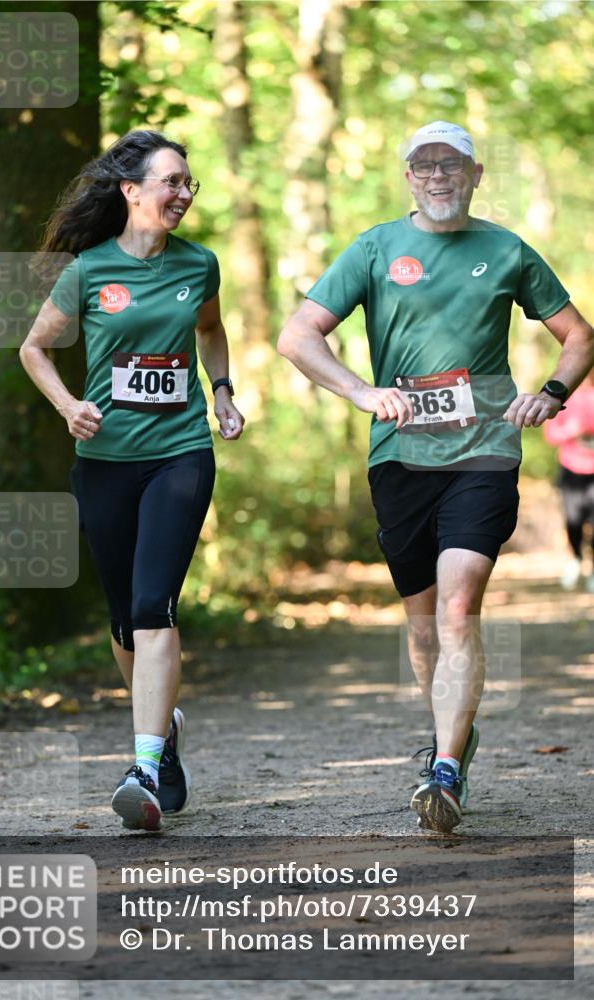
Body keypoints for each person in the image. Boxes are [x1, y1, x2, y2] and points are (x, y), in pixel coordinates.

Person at [278, 121, 594, 833]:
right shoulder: (374, 248)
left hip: (484, 450)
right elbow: (296, 336)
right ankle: (451, 734)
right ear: (408, 177)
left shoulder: (507, 250)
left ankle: (445, 769)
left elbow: (579, 335)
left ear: (476, 174)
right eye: (423, 165)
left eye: (451, 164)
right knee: (423, 626)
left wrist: (550, 393)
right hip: (399, 456)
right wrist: (361, 392)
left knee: (456, 609)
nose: (438, 176)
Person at [20, 130, 245, 832]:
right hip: (105, 462)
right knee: (123, 619)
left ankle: (143, 766)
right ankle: (163, 732)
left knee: (153, 606)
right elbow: (34, 348)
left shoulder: (199, 264)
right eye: (171, 181)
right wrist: (69, 406)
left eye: (188, 183)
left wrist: (222, 393)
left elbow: (210, 331)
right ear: (131, 190)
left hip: (180, 454)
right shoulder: (89, 271)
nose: (183, 194)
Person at [543, 376, 594, 591]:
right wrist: (572, 431)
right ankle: (576, 558)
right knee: (573, 520)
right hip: (571, 469)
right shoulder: (564, 398)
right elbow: (551, 434)